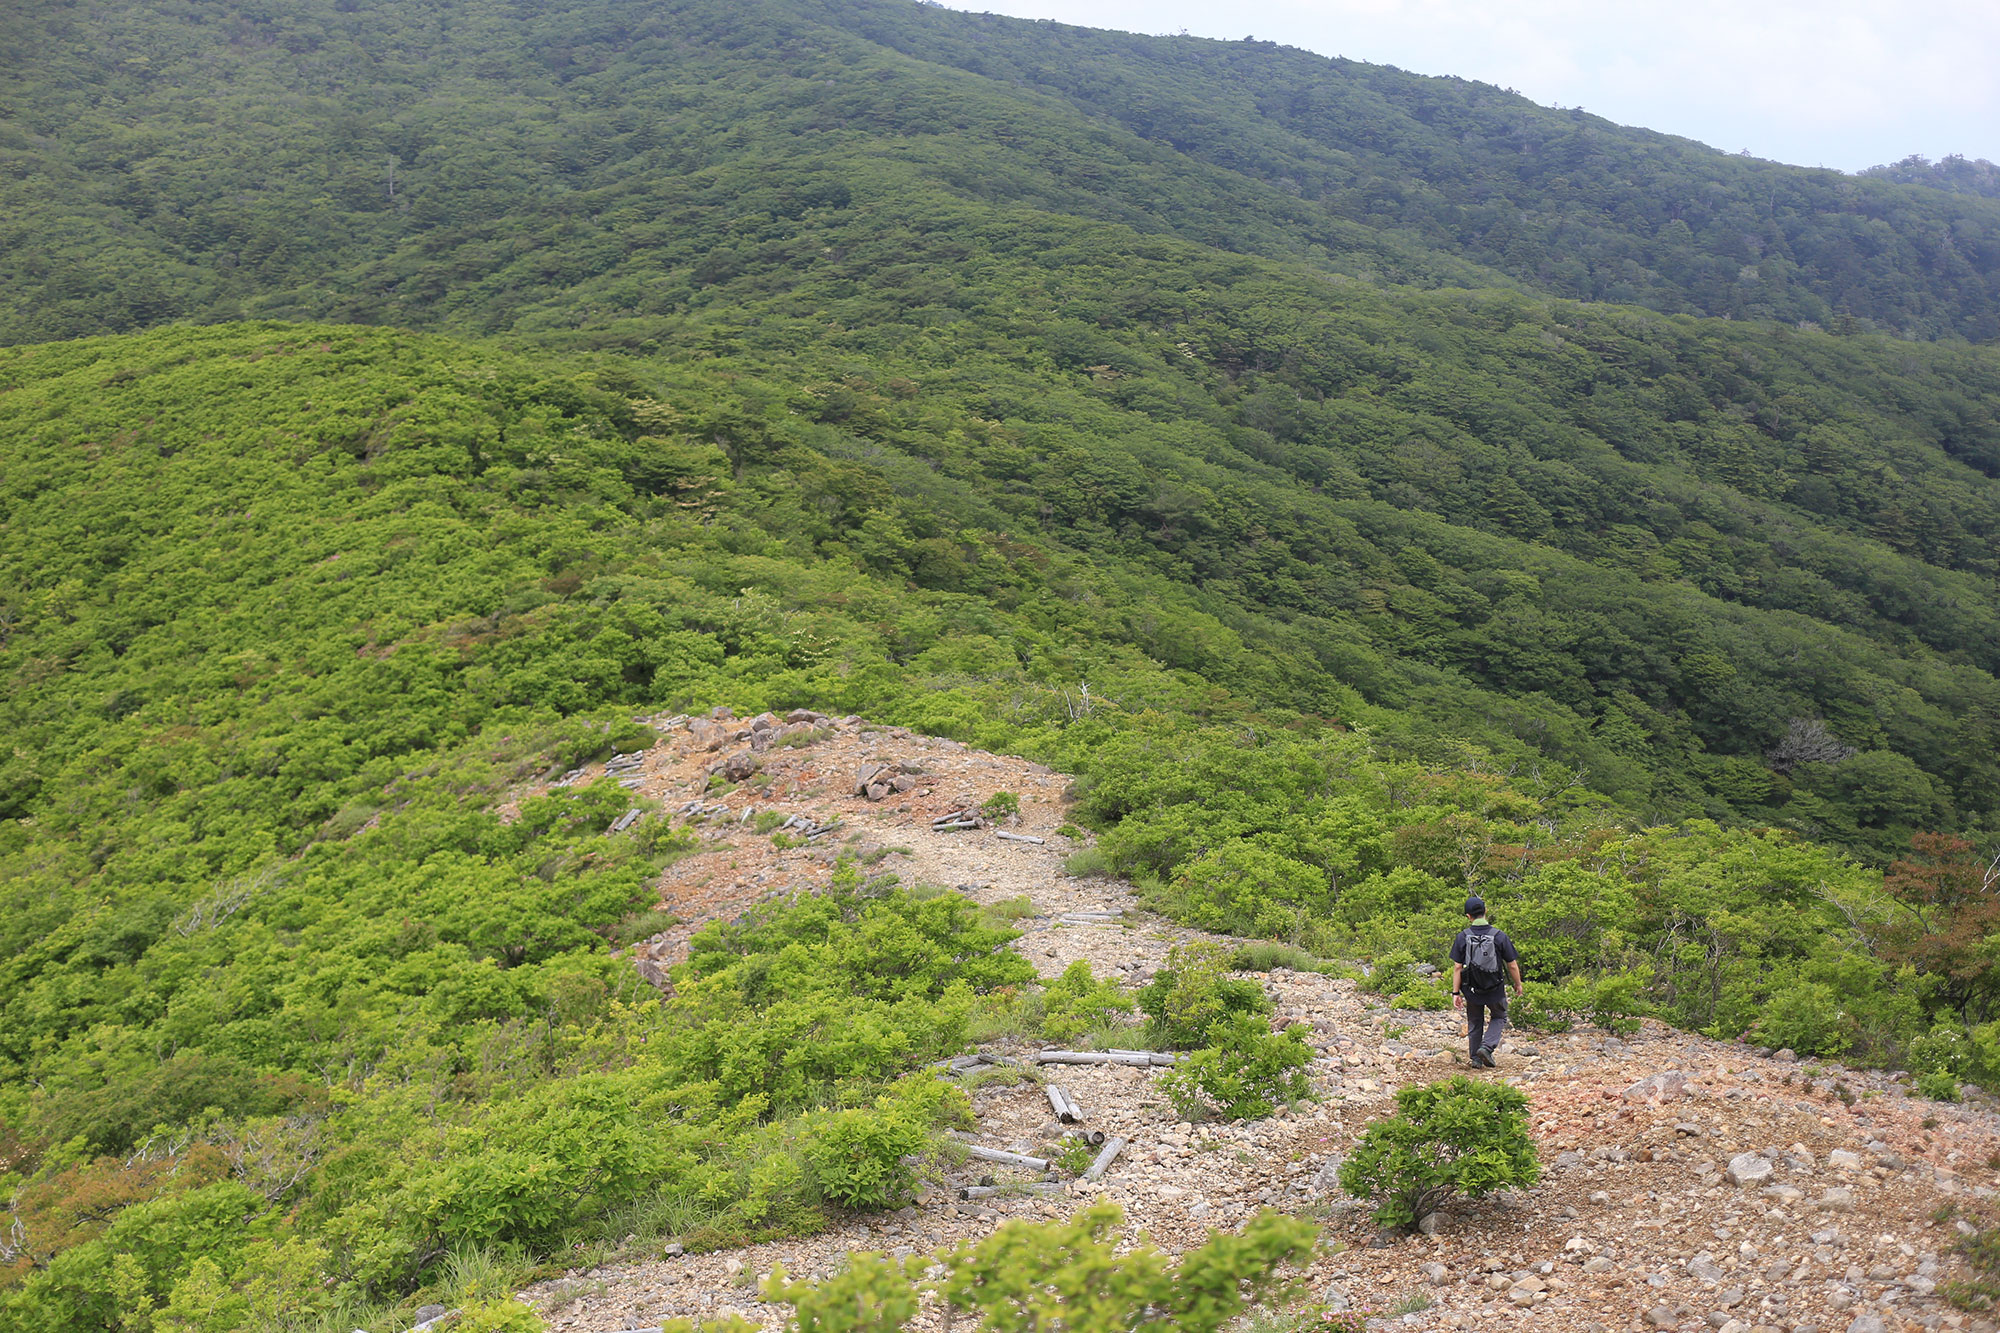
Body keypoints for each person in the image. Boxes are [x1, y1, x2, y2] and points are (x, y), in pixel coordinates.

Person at [1449, 895, 1523, 1067]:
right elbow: (1511, 964)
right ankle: (1487, 1047)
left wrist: (1455, 992)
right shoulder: (1499, 936)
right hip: (1494, 988)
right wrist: (1517, 983)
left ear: (1468, 916)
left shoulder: (1462, 937)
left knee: (1475, 1021)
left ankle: (1475, 1059)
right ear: (1485, 911)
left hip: (1471, 988)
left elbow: (1457, 968)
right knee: (1499, 1016)